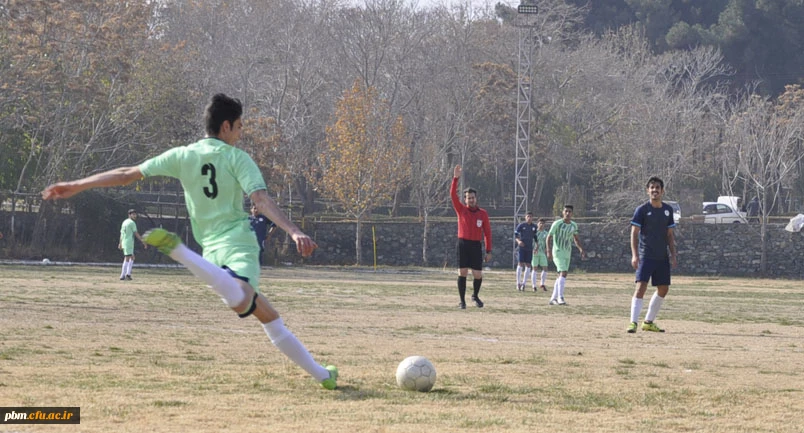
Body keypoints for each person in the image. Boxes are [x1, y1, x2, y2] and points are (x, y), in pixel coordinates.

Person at [42, 93, 337, 390]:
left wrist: (78, 185)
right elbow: (259, 200)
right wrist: (293, 230)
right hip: (237, 241)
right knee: (243, 299)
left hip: (209, 250)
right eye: (239, 126)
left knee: (268, 316)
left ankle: (323, 375)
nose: (241, 131)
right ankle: (180, 252)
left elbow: (126, 174)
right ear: (225, 127)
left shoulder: (182, 155)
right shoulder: (237, 158)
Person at [627, 177, 677, 333]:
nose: (655, 190)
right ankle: (633, 323)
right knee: (641, 287)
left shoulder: (667, 210)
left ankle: (648, 322)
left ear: (662, 191)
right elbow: (634, 233)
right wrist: (635, 255)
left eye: (657, 188)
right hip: (646, 255)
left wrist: (673, 254)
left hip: (661, 256)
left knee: (663, 289)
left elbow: (669, 235)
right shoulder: (641, 210)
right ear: (647, 190)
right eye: (652, 187)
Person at [450, 164, 492, 309]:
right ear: (465, 199)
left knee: (478, 274)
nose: (471, 200)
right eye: (468, 198)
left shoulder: (483, 214)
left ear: (476, 198)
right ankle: (462, 301)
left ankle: (475, 295)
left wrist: (488, 250)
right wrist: (455, 179)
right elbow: (452, 195)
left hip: (475, 245)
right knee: (462, 272)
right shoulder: (461, 210)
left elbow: (487, 232)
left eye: (473, 197)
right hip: (463, 244)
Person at [546, 205, 586, 305]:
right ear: (563, 212)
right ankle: (560, 297)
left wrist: (581, 249)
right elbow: (549, 237)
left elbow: (576, 238)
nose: (568, 213)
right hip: (558, 252)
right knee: (563, 273)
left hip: (567, 252)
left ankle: (553, 299)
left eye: (570, 212)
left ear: (572, 213)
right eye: (566, 211)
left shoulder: (574, 225)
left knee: (561, 275)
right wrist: (548, 250)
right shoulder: (557, 224)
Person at [118, 209, 147, 280]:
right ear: (129, 215)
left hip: (125, 242)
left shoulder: (124, 222)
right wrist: (143, 241)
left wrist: (120, 242)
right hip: (129, 242)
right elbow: (136, 233)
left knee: (132, 257)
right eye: (133, 214)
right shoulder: (132, 223)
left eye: (135, 214)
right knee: (127, 258)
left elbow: (121, 233)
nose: (135, 216)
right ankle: (122, 275)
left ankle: (128, 274)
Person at [514, 212, 537, 291]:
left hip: (529, 248)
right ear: (525, 217)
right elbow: (516, 235)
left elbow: (535, 237)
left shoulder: (534, 227)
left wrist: (536, 246)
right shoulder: (521, 225)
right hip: (522, 247)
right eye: (528, 216)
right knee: (520, 263)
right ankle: (518, 283)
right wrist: (518, 241)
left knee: (528, 265)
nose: (529, 218)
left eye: (531, 216)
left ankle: (524, 283)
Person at [530, 218, 549, 292]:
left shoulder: (546, 233)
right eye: (540, 223)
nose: (541, 225)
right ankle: (534, 286)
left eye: (543, 223)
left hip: (542, 252)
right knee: (534, 268)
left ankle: (542, 283)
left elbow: (547, 242)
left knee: (545, 268)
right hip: (534, 252)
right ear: (537, 224)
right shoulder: (534, 232)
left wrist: (547, 250)